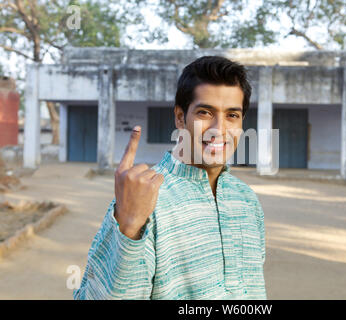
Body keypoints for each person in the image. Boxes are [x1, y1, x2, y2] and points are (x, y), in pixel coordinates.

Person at [73, 56, 266, 300]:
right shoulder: (145, 197)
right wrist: (129, 226)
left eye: (232, 115)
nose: (219, 129)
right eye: (205, 112)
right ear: (179, 117)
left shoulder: (247, 200)